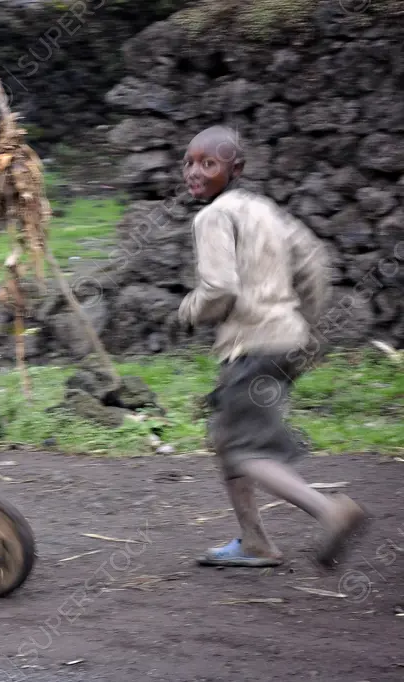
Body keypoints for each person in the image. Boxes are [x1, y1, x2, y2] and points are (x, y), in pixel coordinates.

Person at [177, 125, 369, 569]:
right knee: (227, 438)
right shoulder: (266, 211)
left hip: (252, 345)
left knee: (247, 449)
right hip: (285, 342)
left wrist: (189, 309)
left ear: (236, 168)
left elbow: (219, 288)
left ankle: (329, 510)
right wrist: (308, 326)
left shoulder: (211, 217)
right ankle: (253, 541)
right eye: (189, 162)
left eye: (208, 163)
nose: (195, 172)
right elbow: (314, 263)